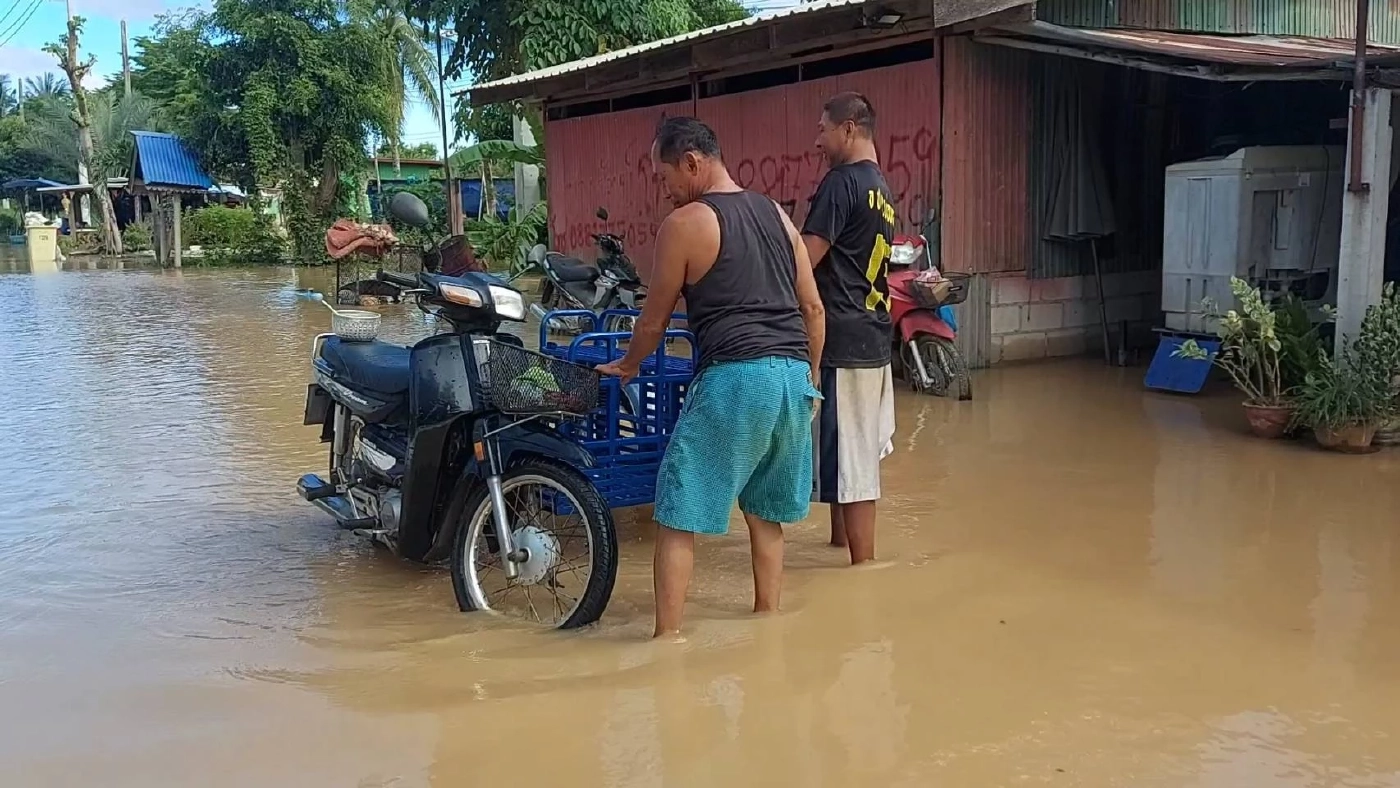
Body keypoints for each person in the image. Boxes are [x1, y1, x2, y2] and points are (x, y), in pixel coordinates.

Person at [597, 116, 826, 638]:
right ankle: (767, 621)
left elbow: (653, 319)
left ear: (692, 163)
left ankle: (667, 642)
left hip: (736, 375)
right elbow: (813, 309)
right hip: (793, 379)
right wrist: (809, 380)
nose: (664, 191)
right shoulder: (777, 215)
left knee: (678, 510)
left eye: (664, 177)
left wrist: (629, 365)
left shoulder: (685, 225)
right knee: (765, 512)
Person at [801, 92, 897, 566]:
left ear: (850, 129)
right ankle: (841, 548)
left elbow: (805, 260)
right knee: (845, 455)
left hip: (844, 336)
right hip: (874, 336)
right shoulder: (881, 186)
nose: (817, 140)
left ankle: (863, 572)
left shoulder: (840, 183)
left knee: (854, 465)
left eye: (823, 129)